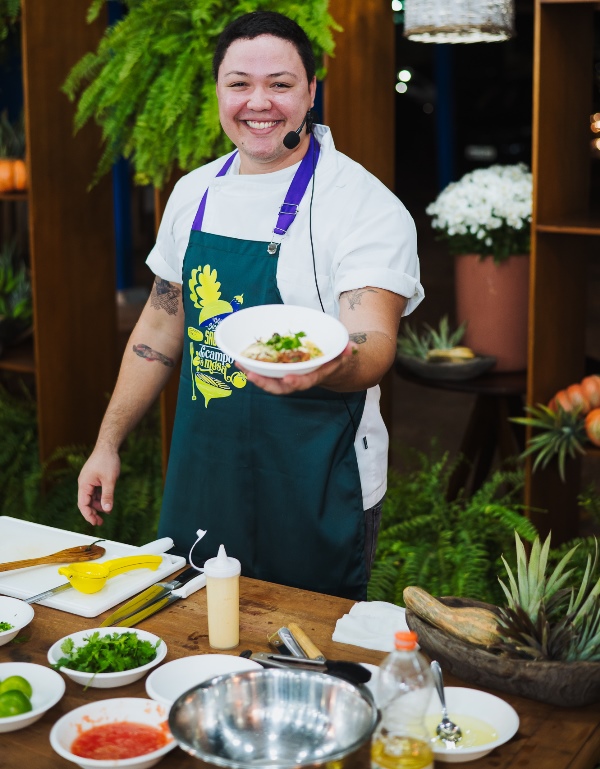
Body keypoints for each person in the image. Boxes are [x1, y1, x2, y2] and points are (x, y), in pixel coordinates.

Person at [77, 10, 424, 601]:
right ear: (218, 91)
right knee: (194, 630)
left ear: (311, 91)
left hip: (317, 477)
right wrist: (107, 442)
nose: (258, 103)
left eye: (280, 84)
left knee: (306, 643)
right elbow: (159, 326)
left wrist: (323, 366)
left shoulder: (362, 205)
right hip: (204, 469)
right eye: (239, 83)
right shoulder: (194, 193)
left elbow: (373, 342)